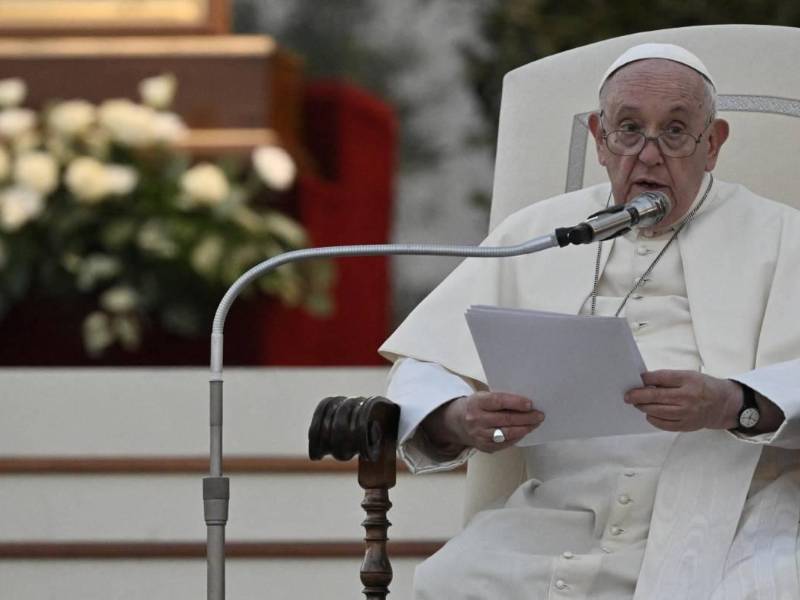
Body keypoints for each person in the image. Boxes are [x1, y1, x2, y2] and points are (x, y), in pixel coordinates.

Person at [379, 43, 800, 600]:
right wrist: (456, 417)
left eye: (675, 132)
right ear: (601, 140)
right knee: (454, 581)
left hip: (732, 515)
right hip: (556, 514)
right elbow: (427, 364)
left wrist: (733, 402)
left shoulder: (782, 236)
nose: (649, 155)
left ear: (713, 144)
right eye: (629, 130)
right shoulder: (539, 232)